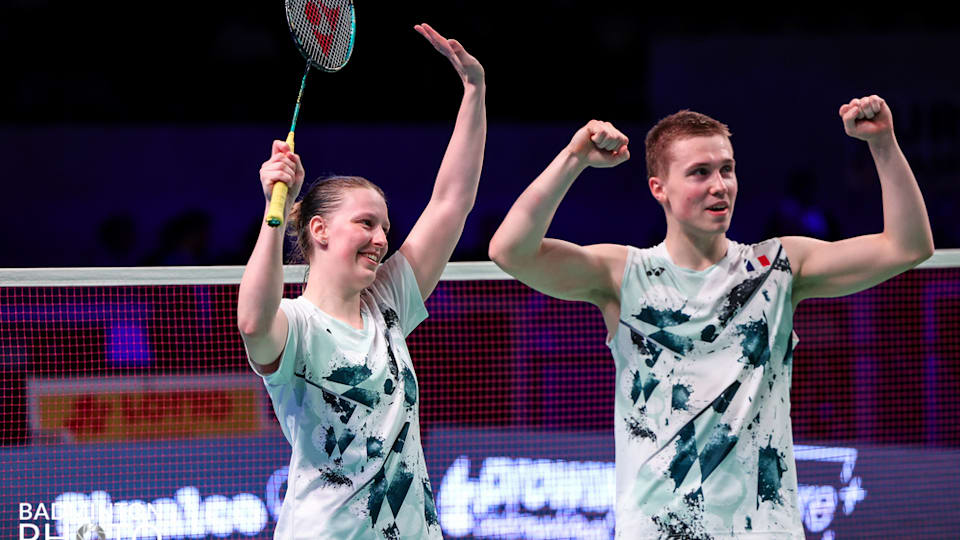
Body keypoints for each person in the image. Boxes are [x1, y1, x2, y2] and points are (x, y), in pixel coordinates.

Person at [488, 96, 933, 538]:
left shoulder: (777, 268)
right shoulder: (624, 275)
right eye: (700, 173)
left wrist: (883, 144)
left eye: (727, 168)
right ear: (658, 188)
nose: (720, 185)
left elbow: (908, 247)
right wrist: (573, 159)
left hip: (764, 530)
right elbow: (509, 251)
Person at [237, 23, 485, 539]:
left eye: (385, 228)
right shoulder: (296, 327)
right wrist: (274, 210)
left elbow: (451, 203)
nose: (380, 239)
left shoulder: (387, 304)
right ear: (320, 230)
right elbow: (251, 320)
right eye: (366, 224)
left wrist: (474, 91)